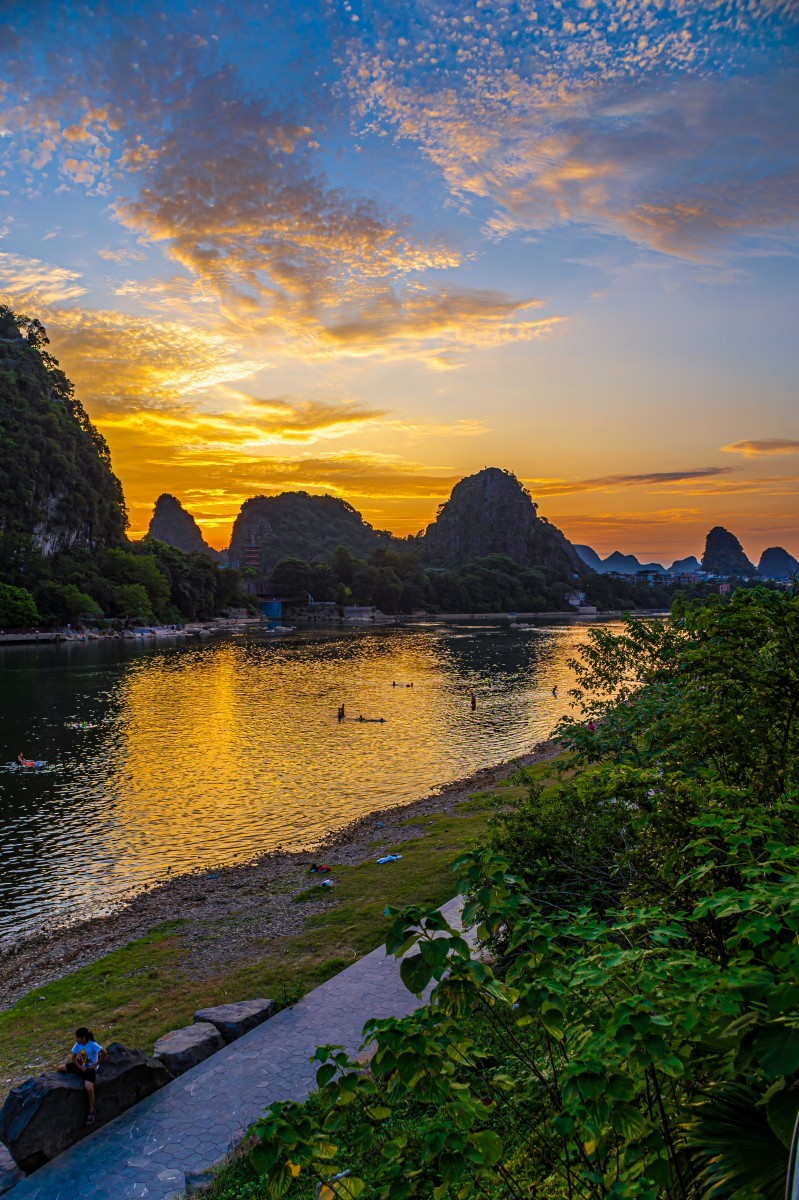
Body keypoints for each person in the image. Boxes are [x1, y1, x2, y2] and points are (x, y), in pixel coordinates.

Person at [57, 1027, 107, 1125]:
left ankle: (91, 1110)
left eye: (77, 1037)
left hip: (90, 1069)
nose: (76, 1039)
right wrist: (80, 1067)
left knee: (89, 1087)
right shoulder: (78, 1045)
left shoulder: (92, 1044)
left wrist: (96, 1064)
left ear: (83, 1038)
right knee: (60, 1068)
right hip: (81, 1065)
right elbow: (74, 1058)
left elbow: (104, 1052)